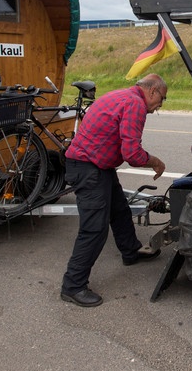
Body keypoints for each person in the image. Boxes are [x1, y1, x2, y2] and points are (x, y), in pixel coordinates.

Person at [60, 74, 168, 307]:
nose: (160, 106)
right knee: (94, 229)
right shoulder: (135, 105)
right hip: (88, 168)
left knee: (119, 210)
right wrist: (155, 161)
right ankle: (73, 285)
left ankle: (131, 252)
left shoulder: (123, 95)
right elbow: (132, 154)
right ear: (152, 91)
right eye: (162, 99)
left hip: (98, 165)